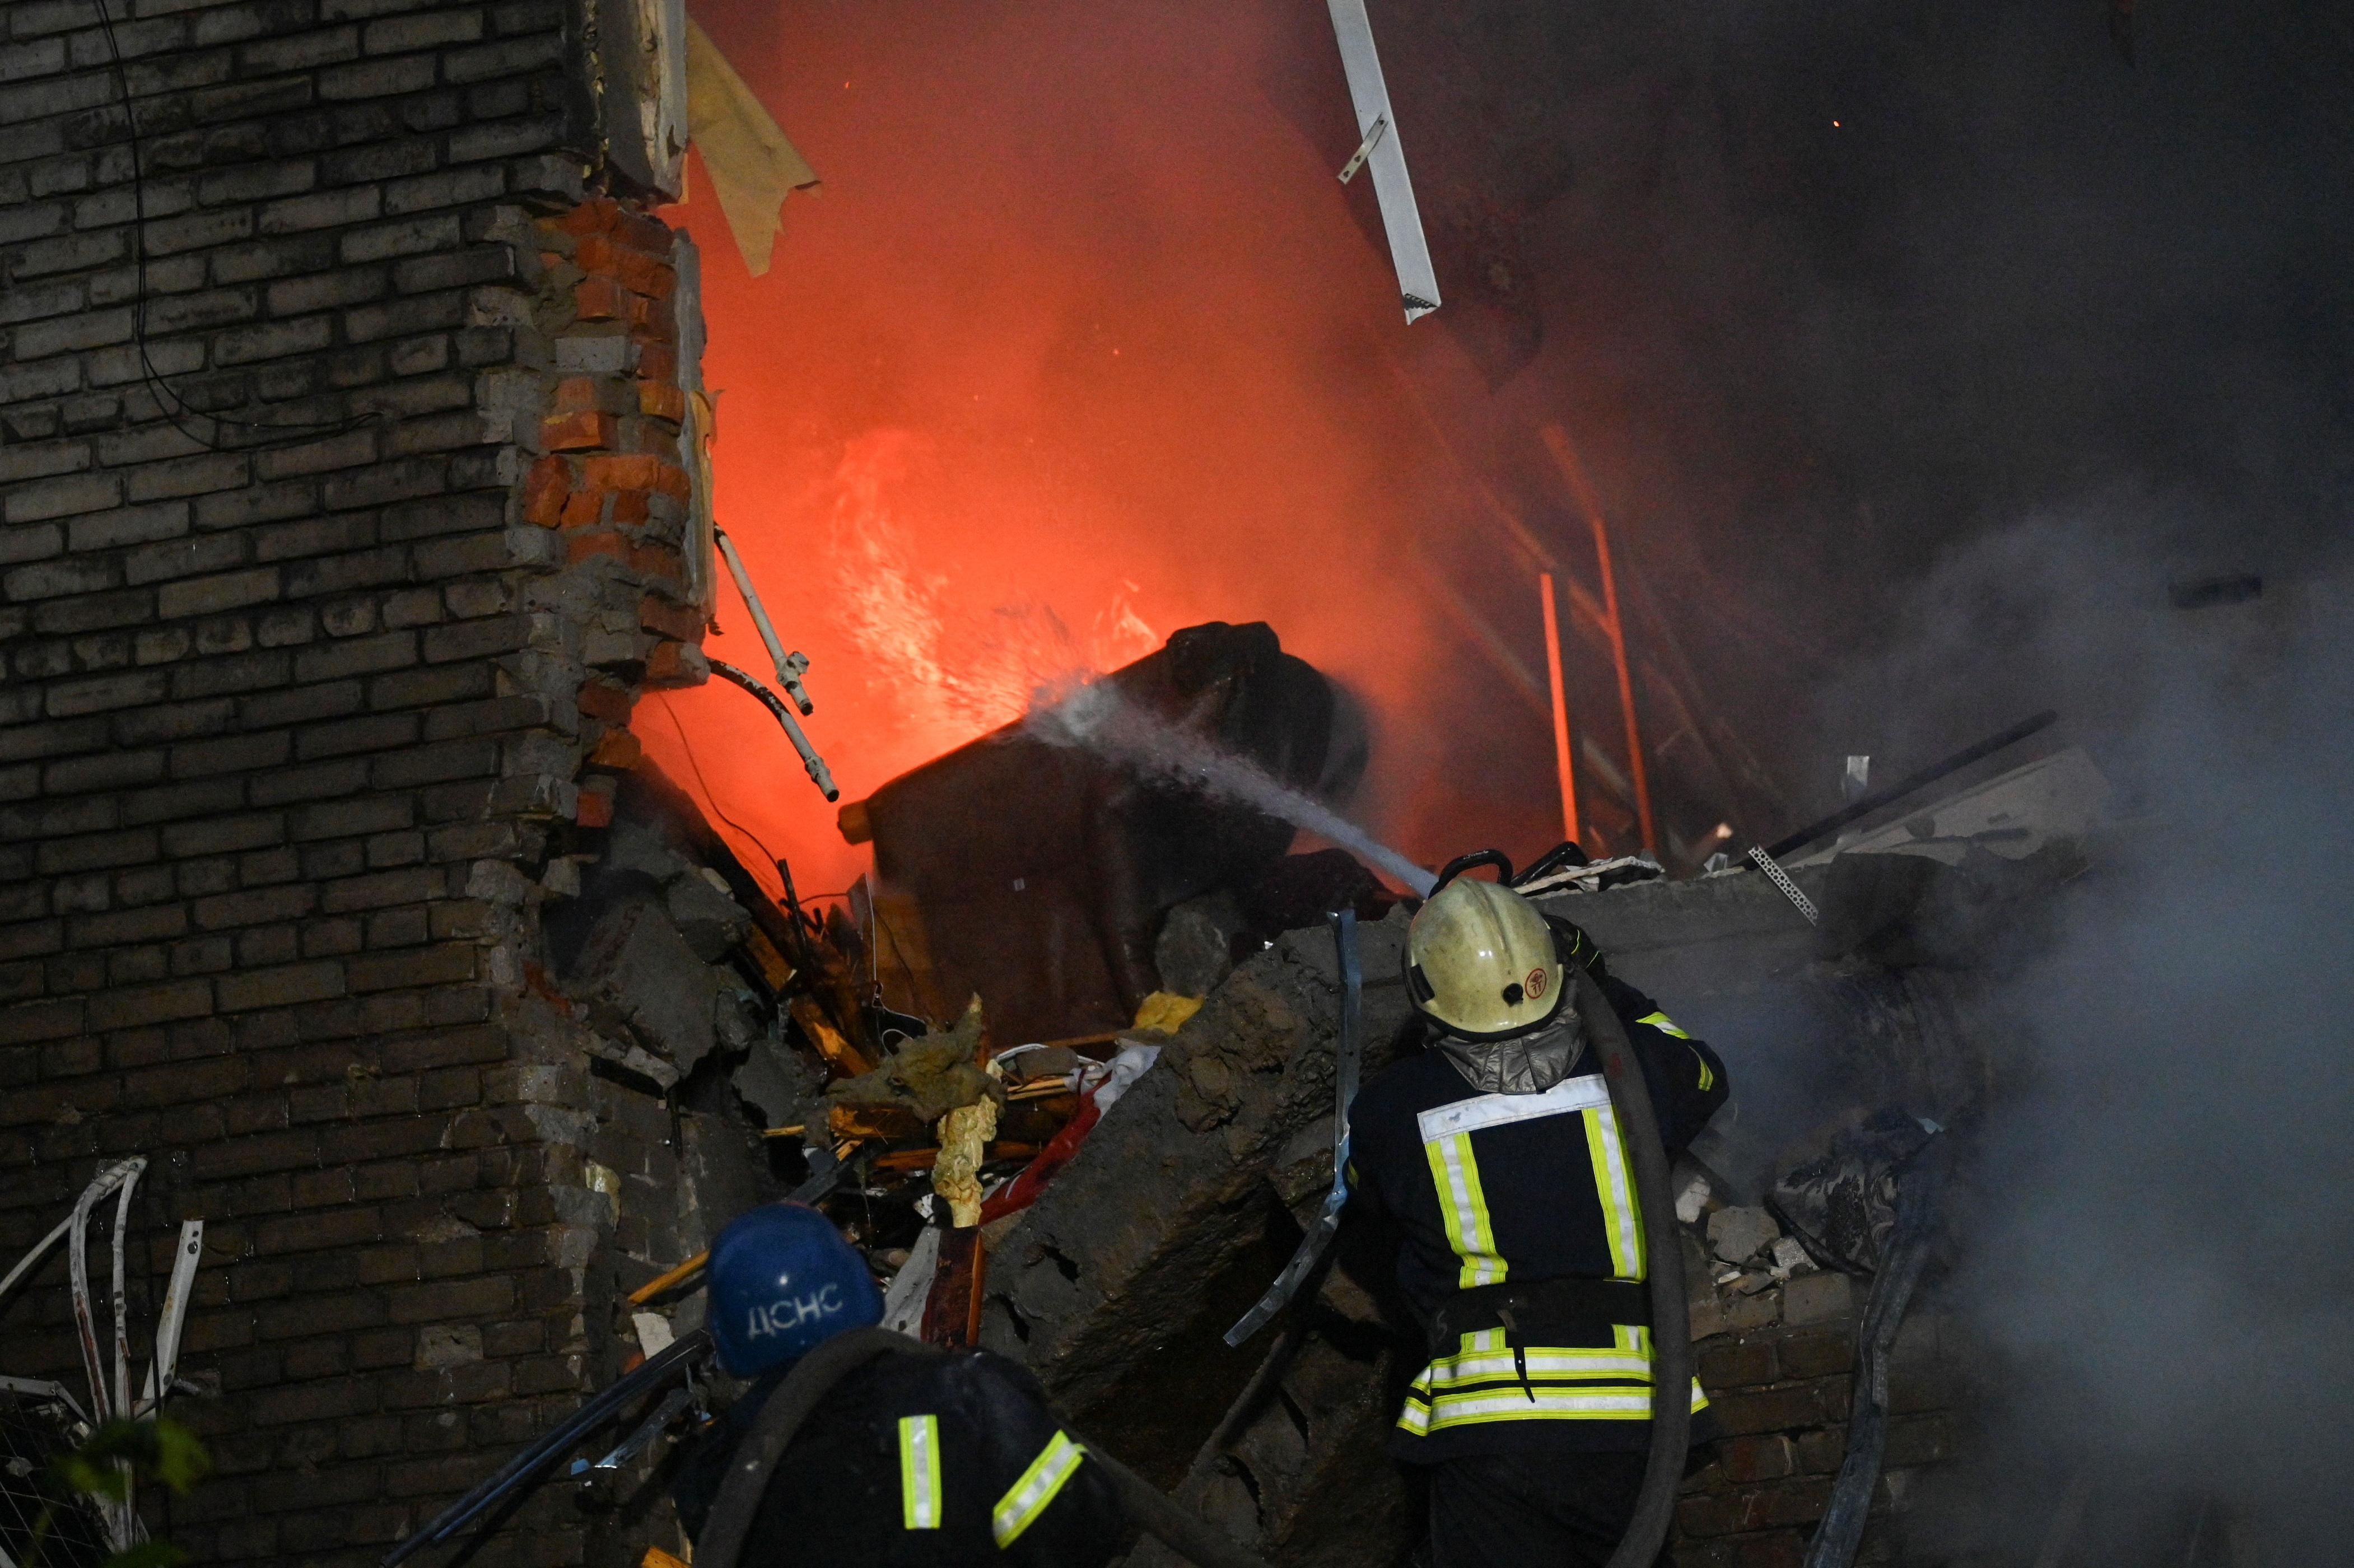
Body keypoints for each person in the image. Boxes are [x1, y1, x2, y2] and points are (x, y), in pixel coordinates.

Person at [1346, 857, 1730, 1568]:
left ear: (1427, 991)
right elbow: (1704, 1068)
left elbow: (1365, 1199)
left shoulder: (1391, 1110)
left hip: (1492, 1428)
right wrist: (1605, 982)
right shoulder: (1637, 1072)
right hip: (1637, 1425)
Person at [671, 1203, 1127, 1566]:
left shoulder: (707, 1480)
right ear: (861, 1284)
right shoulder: (969, 1394)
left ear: (727, 1334)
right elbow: (1089, 1529)